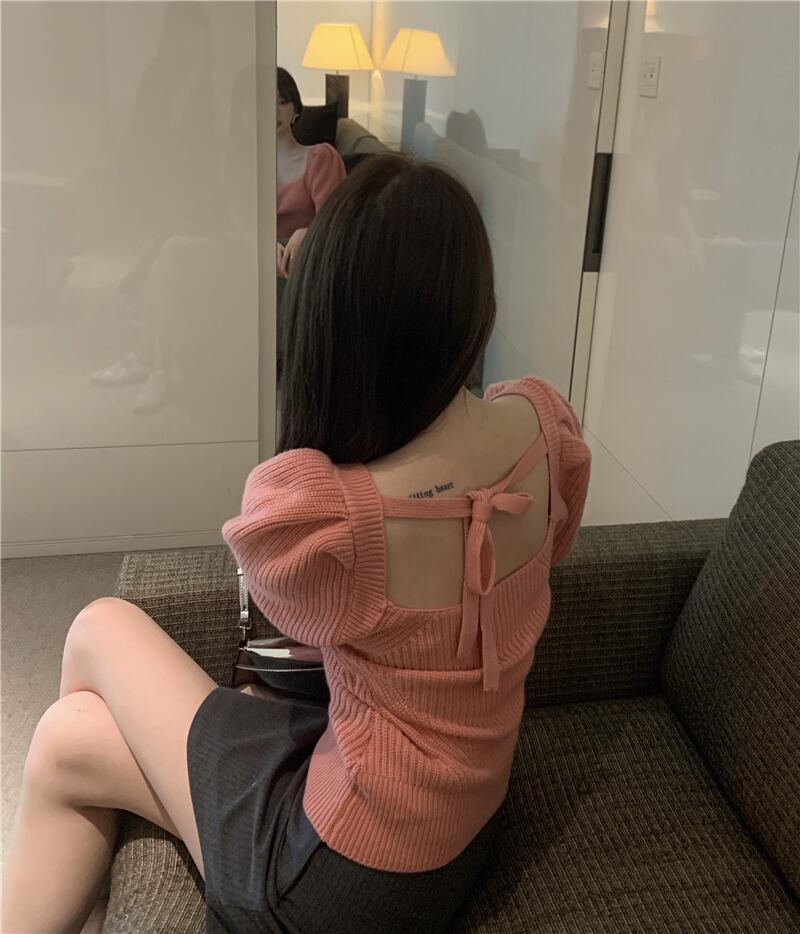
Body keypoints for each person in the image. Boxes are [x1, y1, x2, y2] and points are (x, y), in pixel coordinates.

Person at [2, 154, 591, 934]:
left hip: (333, 883)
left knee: (97, 625)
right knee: (66, 738)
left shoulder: (335, 515)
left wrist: (311, 262)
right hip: (460, 835)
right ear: (475, 298)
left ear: (331, 322)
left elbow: (284, 616)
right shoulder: (546, 427)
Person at [276, 67, 345, 278]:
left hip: (307, 267)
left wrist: (308, 233)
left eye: (282, 102)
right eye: (264, 102)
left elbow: (336, 224)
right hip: (252, 267)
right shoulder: (240, 166)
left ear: (295, 109)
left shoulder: (320, 158)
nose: (273, 111)